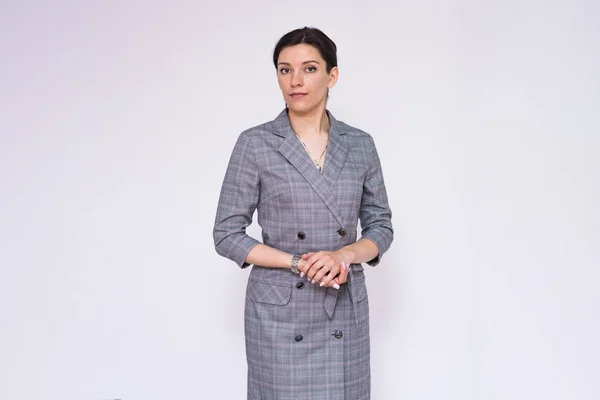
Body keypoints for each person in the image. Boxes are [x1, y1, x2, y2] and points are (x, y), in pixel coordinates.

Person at [213, 26, 393, 400]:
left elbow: (380, 225)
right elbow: (227, 234)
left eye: (309, 69)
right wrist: (297, 262)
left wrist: (343, 255)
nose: (296, 80)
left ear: (332, 75)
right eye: (285, 69)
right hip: (280, 310)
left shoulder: (359, 144)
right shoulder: (256, 143)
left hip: (342, 304)